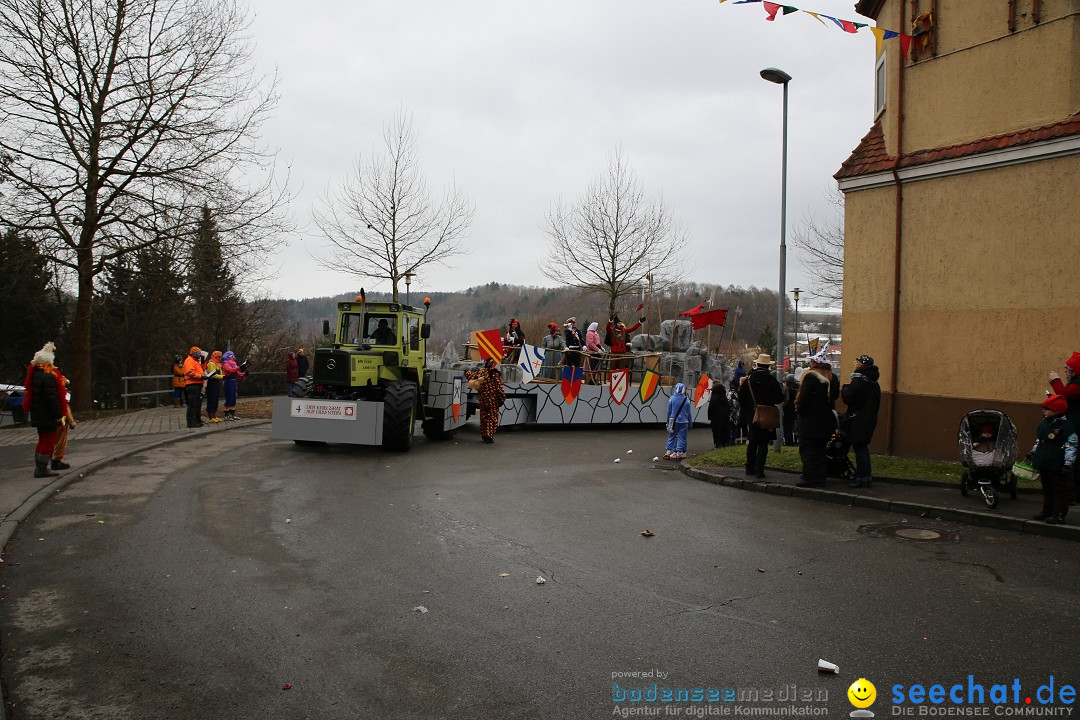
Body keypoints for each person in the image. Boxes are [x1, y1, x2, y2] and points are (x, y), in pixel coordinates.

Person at [1028, 394, 1077, 524]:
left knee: (1059, 489)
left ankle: (1059, 513)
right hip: (1045, 461)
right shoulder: (1044, 424)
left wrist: (1068, 463)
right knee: (1046, 488)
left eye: (1046, 409)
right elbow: (1039, 441)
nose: (1044, 411)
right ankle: (1047, 510)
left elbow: (1071, 446)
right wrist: (1033, 453)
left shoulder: (1066, 427)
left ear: (1056, 411)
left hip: (1058, 463)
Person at [795, 346, 840, 487]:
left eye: (812, 362)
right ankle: (820, 477)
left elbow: (803, 398)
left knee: (807, 449)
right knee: (820, 450)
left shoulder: (810, 377)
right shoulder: (833, 377)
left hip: (809, 421)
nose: (810, 364)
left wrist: (800, 409)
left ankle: (809, 477)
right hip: (825, 420)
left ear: (816, 363)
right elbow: (835, 396)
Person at [737, 354, 785, 478]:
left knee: (752, 442)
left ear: (757, 365)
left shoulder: (749, 380)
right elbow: (779, 398)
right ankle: (760, 470)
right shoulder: (772, 380)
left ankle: (749, 468)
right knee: (763, 444)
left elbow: (741, 398)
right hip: (767, 415)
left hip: (752, 414)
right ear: (768, 366)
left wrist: (748, 409)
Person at [23, 342, 65, 478]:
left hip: (38, 414)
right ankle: (42, 469)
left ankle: (39, 466)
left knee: (42, 440)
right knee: (48, 440)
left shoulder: (35, 375)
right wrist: (58, 415)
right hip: (47, 415)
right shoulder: (48, 377)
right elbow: (51, 399)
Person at [841, 354, 881, 488]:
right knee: (863, 447)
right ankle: (866, 476)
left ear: (861, 365)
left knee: (859, 448)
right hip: (869, 418)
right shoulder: (874, 383)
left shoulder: (859, 381)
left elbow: (849, 398)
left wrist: (845, 388)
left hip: (858, 419)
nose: (855, 365)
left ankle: (862, 477)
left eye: (857, 363)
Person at [1049, 351, 1080, 503]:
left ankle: (1070, 495)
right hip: (1073, 425)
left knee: (1071, 460)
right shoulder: (1075, 382)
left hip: (1075, 427)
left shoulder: (1077, 384)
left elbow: (1064, 394)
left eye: (1067, 369)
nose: (1065, 372)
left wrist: (1055, 380)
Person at [466, 358, 506, 443]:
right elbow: (499, 388)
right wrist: (502, 399)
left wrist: (467, 372)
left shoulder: (481, 372)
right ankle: (489, 436)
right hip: (492, 399)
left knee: (484, 416)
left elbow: (471, 376)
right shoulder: (494, 374)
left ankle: (484, 435)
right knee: (492, 418)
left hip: (483, 399)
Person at [50, 370, 76, 470]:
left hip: (51, 418)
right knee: (60, 440)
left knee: (52, 439)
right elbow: (66, 409)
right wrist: (71, 422)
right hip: (61, 419)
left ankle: (53, 458)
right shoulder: (59, 394)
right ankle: (57, 460)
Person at [664, 383, 694, 460]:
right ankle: (678, 454)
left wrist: (668, 422)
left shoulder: (672, 399)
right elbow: (689, 413)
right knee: (682, 438)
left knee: (672, 436)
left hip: (673, 421)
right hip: (684, 422)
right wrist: (690, 423)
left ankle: (668, 452)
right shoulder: (686, 400)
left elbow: (669, 412)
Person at [182, 346, 206, 428]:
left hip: (197, 384)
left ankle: (195, 420)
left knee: (196, 404)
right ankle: (191, 421)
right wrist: (200, 376)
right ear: (193, 353)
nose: (199, 354)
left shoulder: (195, 361)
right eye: (198, 353)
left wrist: (203, 362)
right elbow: (190, 372)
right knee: (192, 404)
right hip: (192, 384)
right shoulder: (189, 361)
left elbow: (202, 370)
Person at [221, 350, 246, 421]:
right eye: (231, 356)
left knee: (233, 398)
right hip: (228, 382)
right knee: (229, 397)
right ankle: (226, 415)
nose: (233, 357)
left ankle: (232, 414)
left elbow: (237, 373)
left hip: (234, 381)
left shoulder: (234, 363)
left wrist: (243, 374)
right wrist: (238, 368)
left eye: (233, 356)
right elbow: (230, 370)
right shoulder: (225, 364)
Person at [706, 380, 731, 448]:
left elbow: (711, 408)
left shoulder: (714, 397)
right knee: (724, 429)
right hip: (725, 416)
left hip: (716, 417)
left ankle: (718, 443)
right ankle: (725, 442)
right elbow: (727, 406)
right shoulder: (724, 397)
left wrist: (710, 416)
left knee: (717, 430)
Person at [204, 351, 224, 423]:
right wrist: (223, 377)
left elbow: (221, 373)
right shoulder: (211, 363)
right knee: (211, 399)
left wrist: (222, 377)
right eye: (218, 356)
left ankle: (215, 415)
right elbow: (213, 375)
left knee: (216, 399)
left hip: (217, 383)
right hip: (212, 383)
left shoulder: (218, 364)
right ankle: (210, 416)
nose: (220, 358)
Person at [782, 373, 798, 446]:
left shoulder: (788, 388)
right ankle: (794, 441)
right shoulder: (797, 388)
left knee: (786, 426)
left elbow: (786, 399)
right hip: (795, 409)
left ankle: (788, 441)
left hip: (787, 409)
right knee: (793, 427)